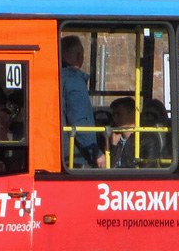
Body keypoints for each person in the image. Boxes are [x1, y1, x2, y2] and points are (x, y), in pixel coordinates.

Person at [60, 35, 105, 168]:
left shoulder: (55, 77)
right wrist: (96, 154)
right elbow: (80, 123)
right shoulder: (74, 81)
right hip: (76, 158)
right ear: (79, 56)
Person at [109, 97, 163, 167]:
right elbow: (105, 167)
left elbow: (149, 168)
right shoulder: (111, 137)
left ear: (132, 115)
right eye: (113, 115)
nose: (114, 118)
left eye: (118, 114)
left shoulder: (148, 139)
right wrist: (113, 146)